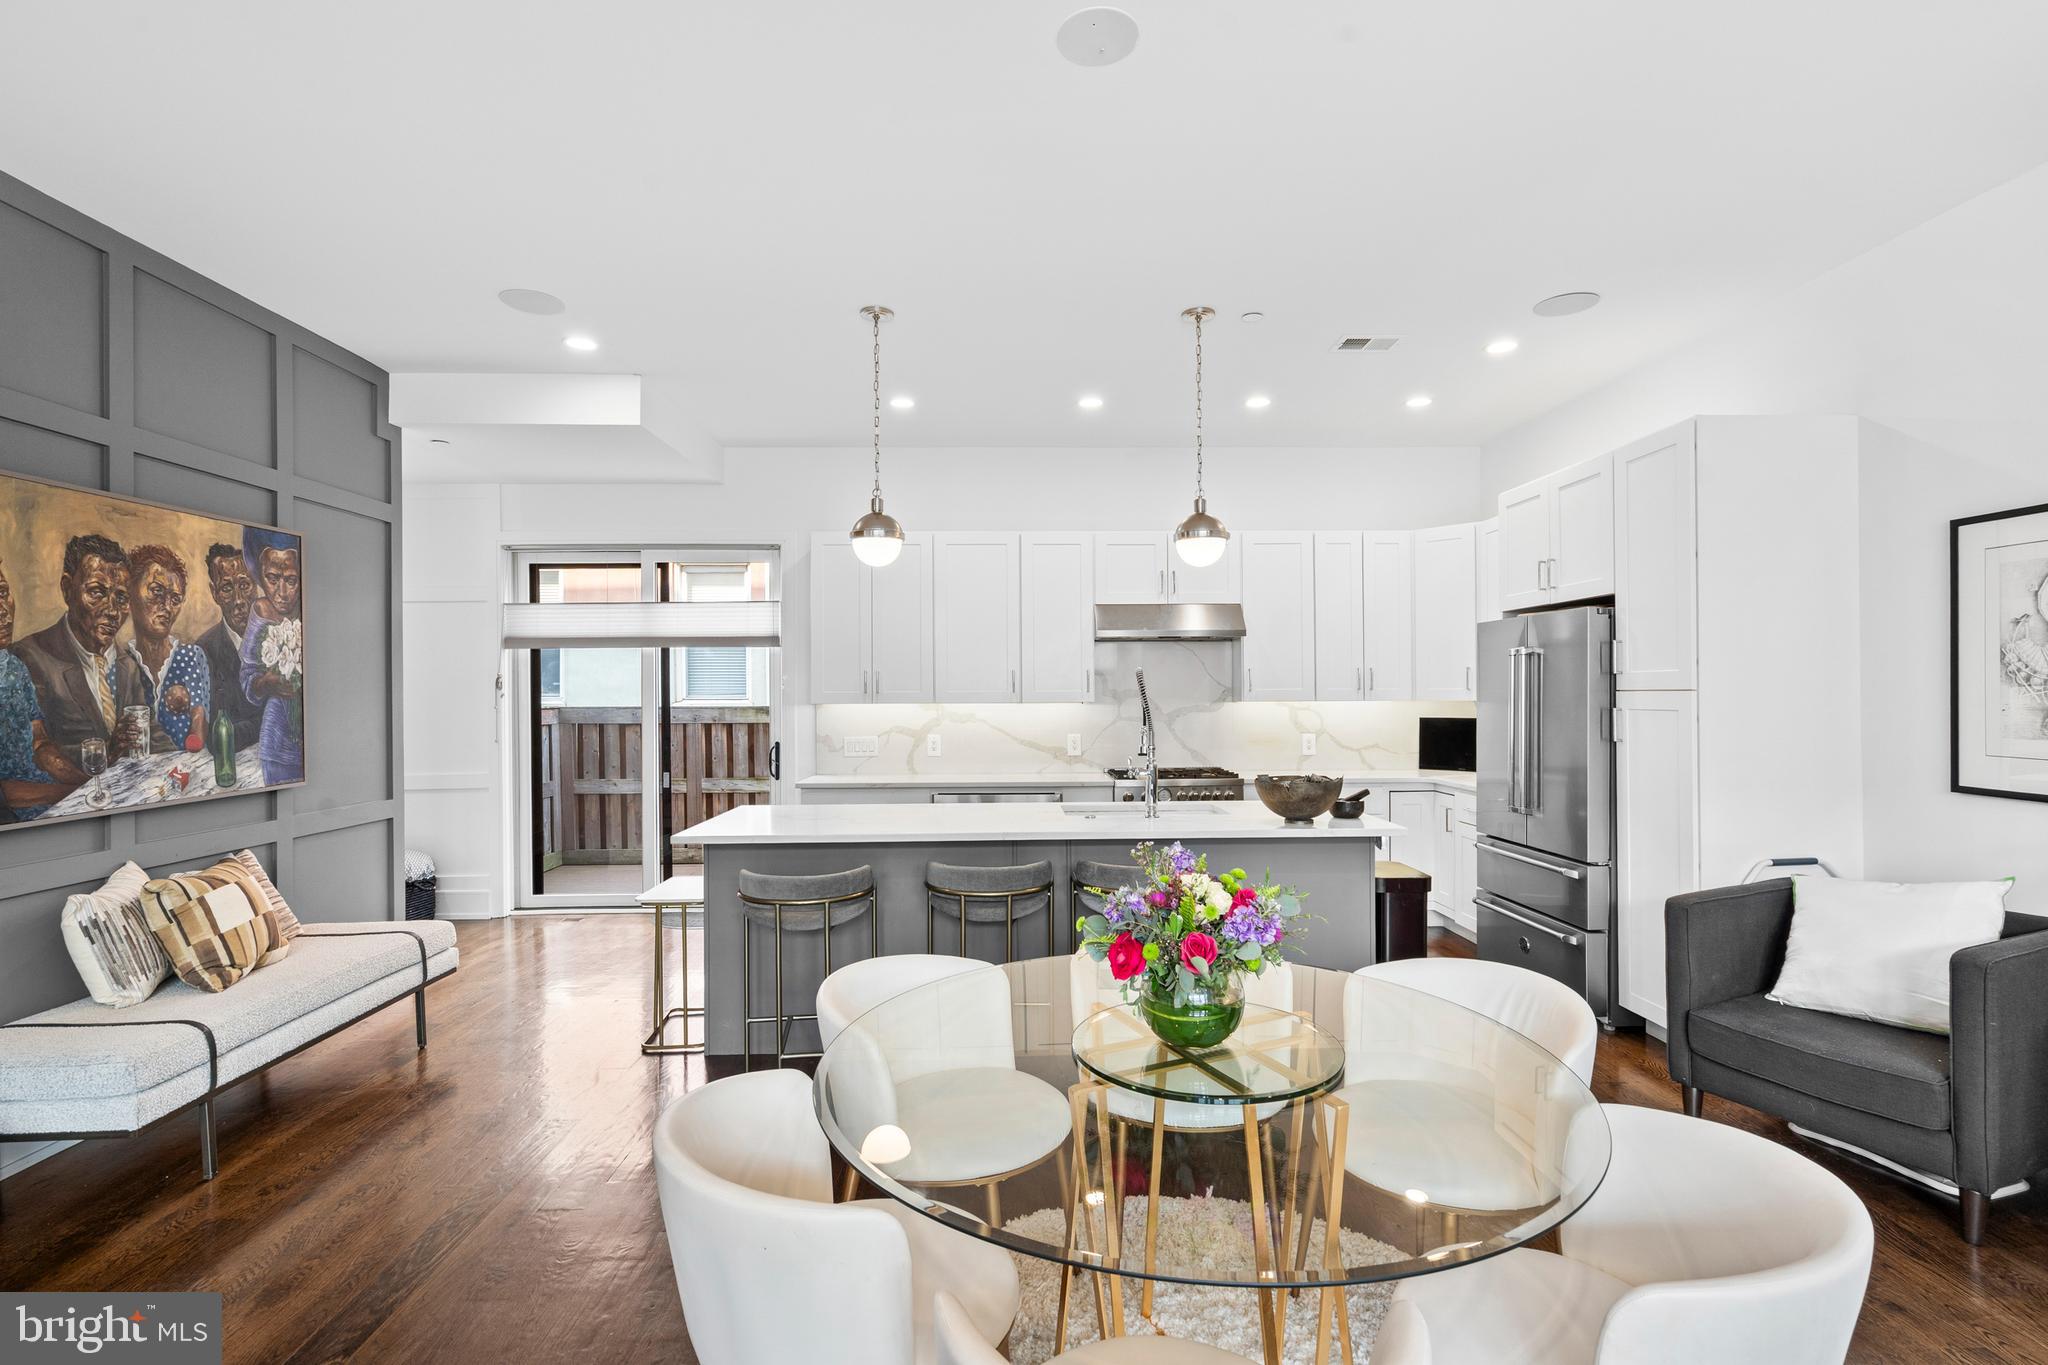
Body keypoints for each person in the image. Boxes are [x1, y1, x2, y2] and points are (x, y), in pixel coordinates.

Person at [11, 533, 147, 770]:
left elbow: (153, 735)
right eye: (96, 592)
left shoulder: (129, 663)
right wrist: (107, 749)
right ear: (66, 589)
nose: (113, 611)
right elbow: (32, 756)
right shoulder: (28, 659)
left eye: (121, 597)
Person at [0, 559, 83, 820]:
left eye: (3, 593)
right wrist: (64, 793)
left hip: (45, 796)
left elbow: (39, 741)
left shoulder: (13, 666)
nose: (4, 610)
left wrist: (87, 781)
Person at [118, 544, 211, 754]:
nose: (167, 606)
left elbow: (199, 718)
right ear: (131, 593)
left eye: (175, 599)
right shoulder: (121, 660)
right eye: (156, 592)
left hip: (183, 771)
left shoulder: (190, 657)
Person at [239, 529, 304, 785]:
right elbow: (247, 677)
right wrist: (266, 683)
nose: (282, 592)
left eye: (291, 580)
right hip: (277, 742)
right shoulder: (262, 611)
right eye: (272, 578)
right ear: (260, 575)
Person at [196, 542, 262, 751]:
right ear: (214, 593)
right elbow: (218, 738)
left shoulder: (278, 639)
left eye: (244, 585)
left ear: (256, 585)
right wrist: (266, 723)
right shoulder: (204, 650)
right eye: (226, 588)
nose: (239, 600)